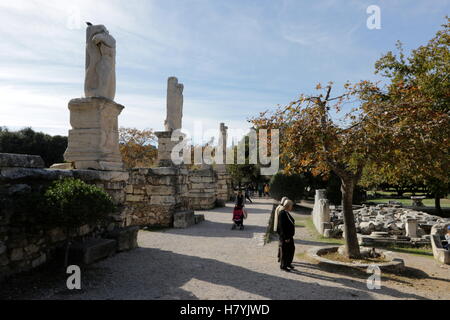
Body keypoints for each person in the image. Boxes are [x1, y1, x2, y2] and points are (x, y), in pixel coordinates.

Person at [277, 200, 295, 271]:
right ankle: (283, 265)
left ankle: (288, 263)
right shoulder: (282, 213)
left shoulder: (286, 212)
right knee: (285, 251)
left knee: (291, 249)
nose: (292, 207)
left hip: (289, 236)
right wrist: (285, 237)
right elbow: (281, 227)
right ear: (288, 206)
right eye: (291, 206)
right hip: (285, 237)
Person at [274, 197, 289, 262]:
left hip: (277, 227)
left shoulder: (278, 207)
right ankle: (281, 257)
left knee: (280, 242)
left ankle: (279, 255)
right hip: (280, 228)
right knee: (282, 244)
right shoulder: (282, 208)